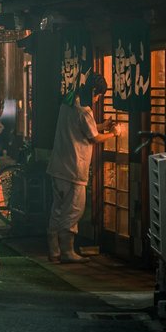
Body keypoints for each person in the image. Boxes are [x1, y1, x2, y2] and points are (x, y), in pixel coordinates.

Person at [46, 72, 121, 264]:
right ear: (94, 90)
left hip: (58, 166)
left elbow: (81, 128)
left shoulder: (69, 102)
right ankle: (67, 251)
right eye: (98, 95)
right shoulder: (85, 111)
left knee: (57, 209)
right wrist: (113, 133)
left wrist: (102, 125)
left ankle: (54, 251)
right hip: (74, 169)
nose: (97, 99)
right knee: (73, 211)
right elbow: (94, 137)